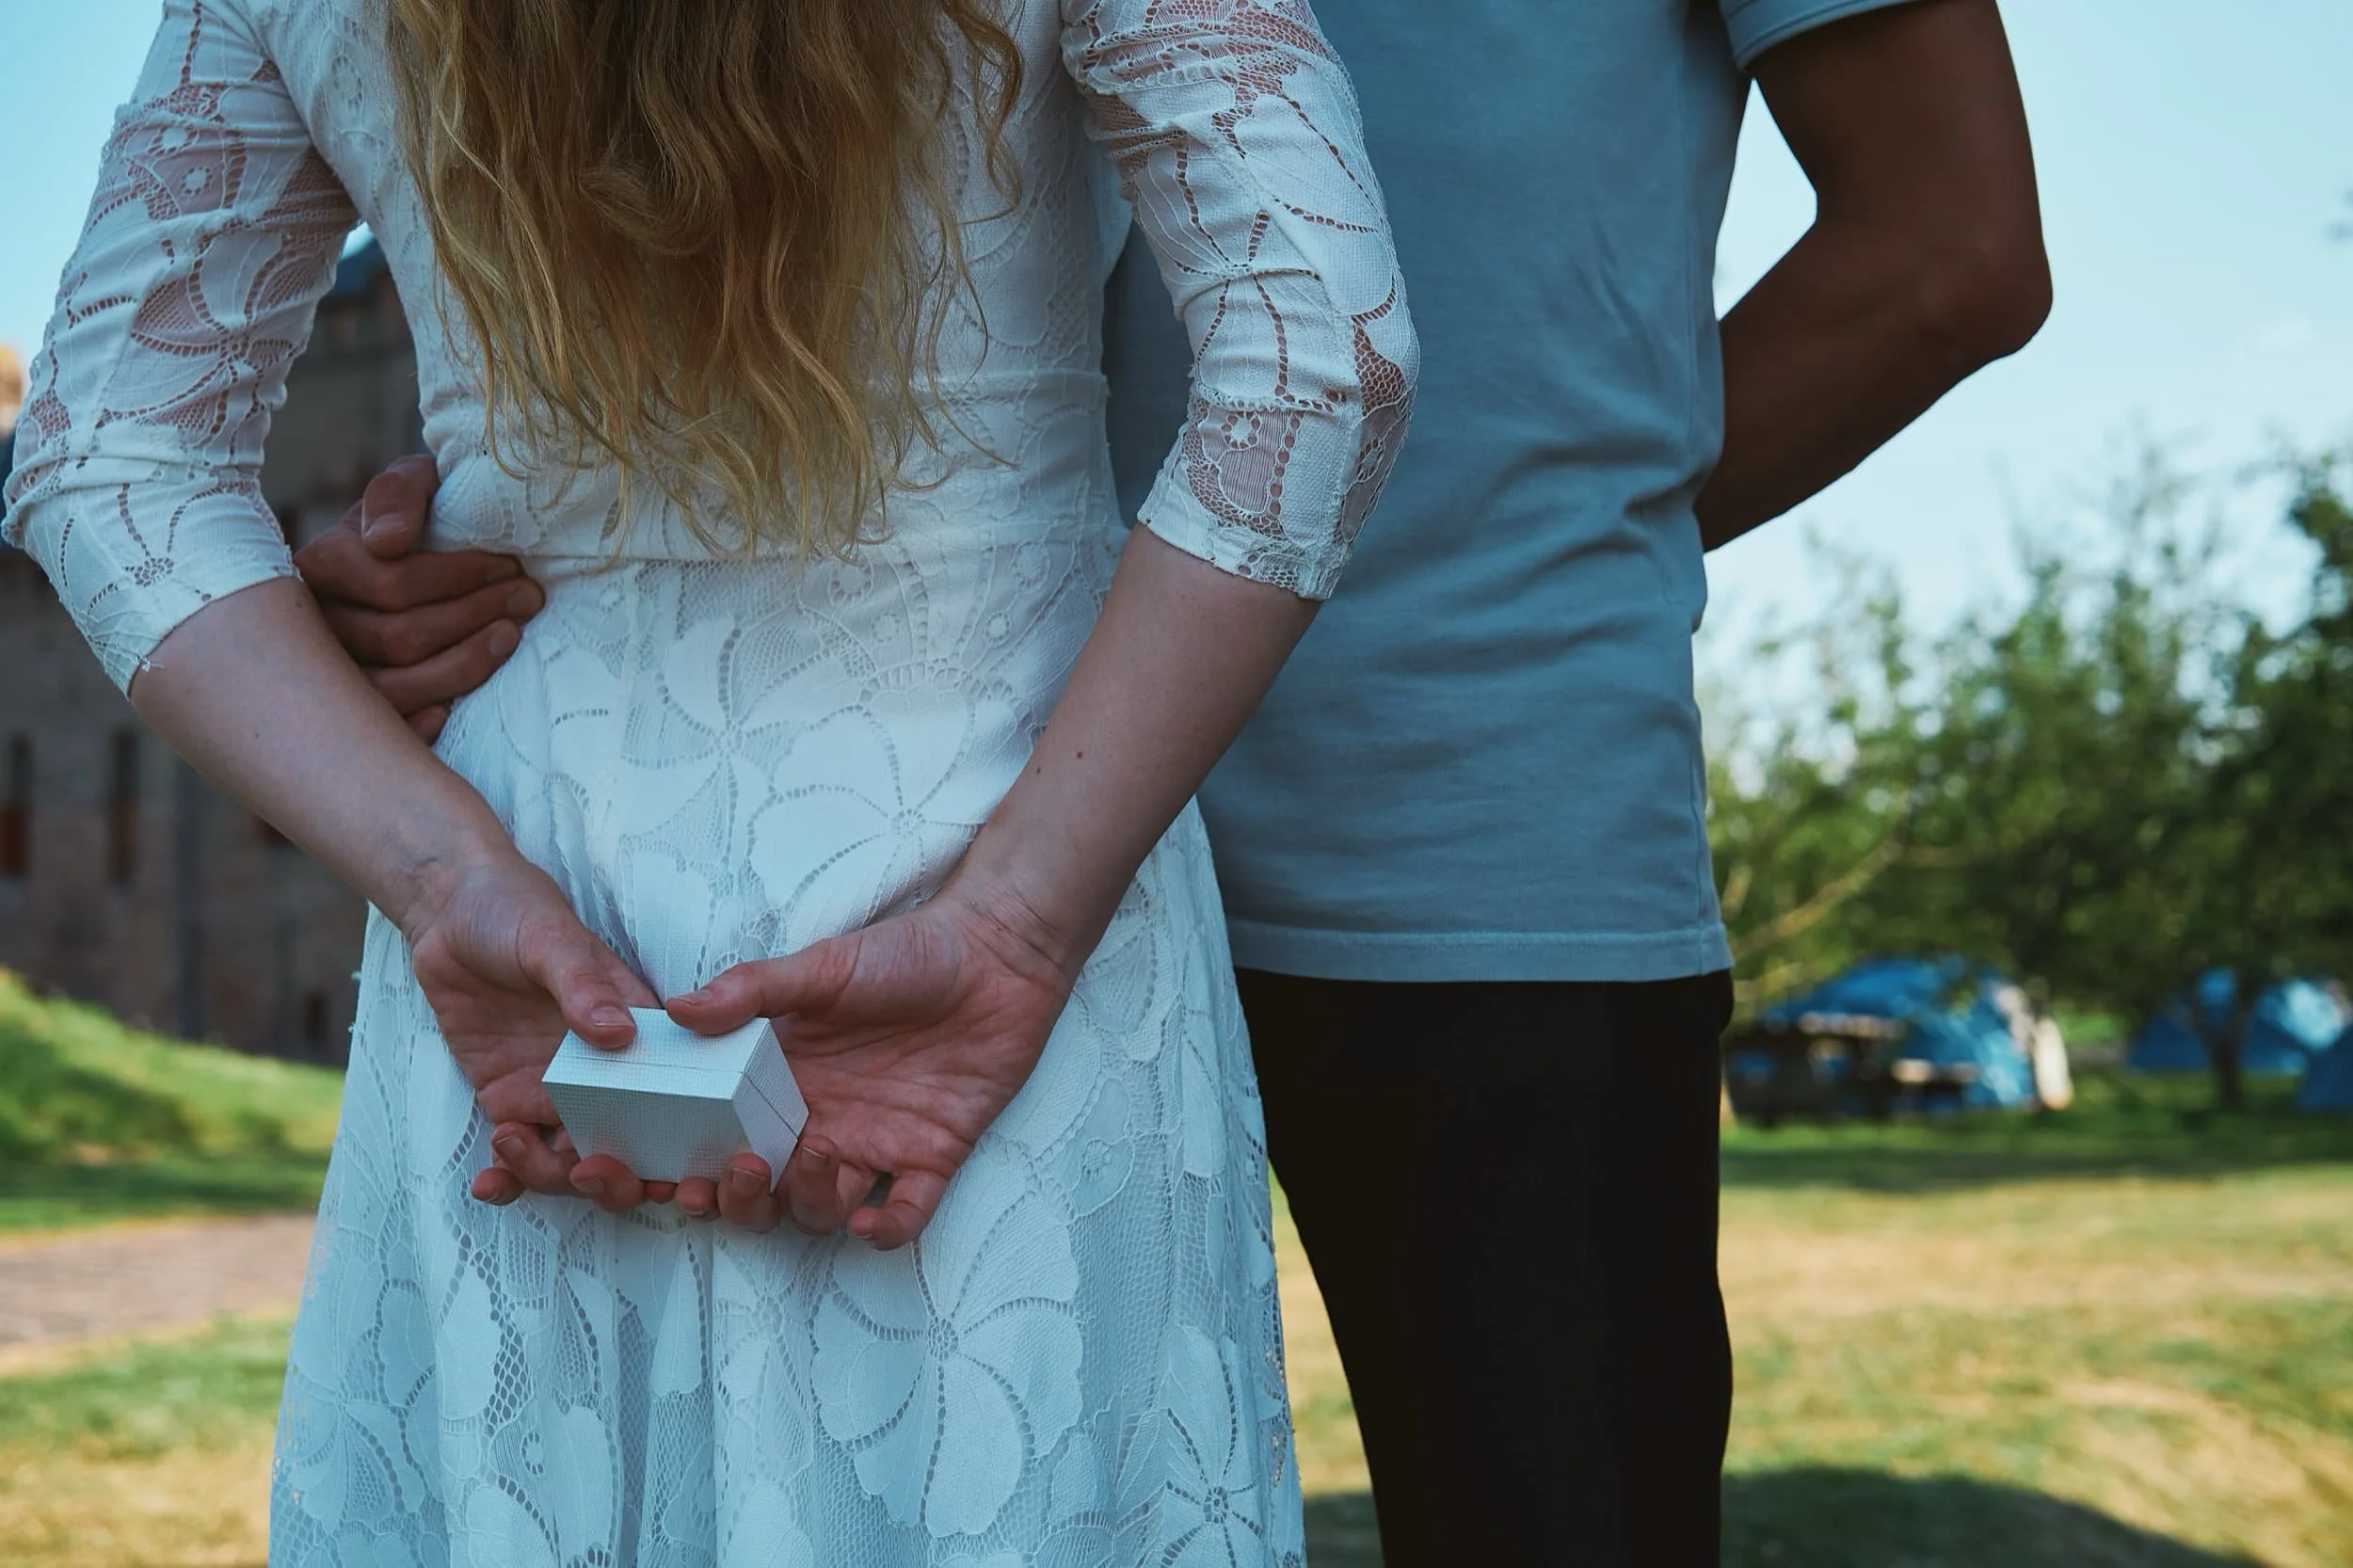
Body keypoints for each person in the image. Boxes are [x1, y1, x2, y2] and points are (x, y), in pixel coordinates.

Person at [312, 1, 2049, 1562]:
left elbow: (1951, 246)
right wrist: (480, 514)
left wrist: (1529, 533)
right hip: (926, 854)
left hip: (1455, 851)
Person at [4, 1, 1417, 1561]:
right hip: (1004, 827)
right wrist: (1017, 922)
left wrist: (436, 873)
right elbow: (1321, 361)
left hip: (532, 908)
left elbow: (105, 452)